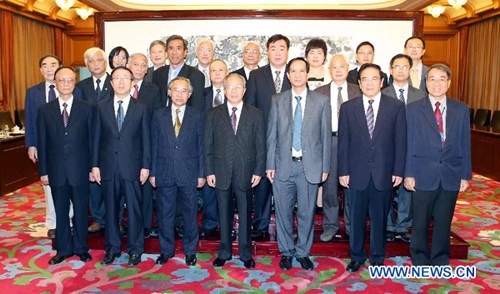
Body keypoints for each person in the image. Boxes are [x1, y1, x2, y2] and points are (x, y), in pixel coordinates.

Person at [338, 63, 406, 273]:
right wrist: (343, 171)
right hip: (356, 173)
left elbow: (400, 142)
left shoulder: (395, 107)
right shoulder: (348, 107)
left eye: (374, 78)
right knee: (356, 219)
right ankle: (356, 256)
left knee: (379, 218)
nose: (369, 83)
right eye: (364, 79)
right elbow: (343, 142)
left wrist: (398, 170)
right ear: (359, 83)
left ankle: (377, 256)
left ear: (382, 81)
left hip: (384, 173)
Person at [267, 57, 332, 271]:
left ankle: (303, 252)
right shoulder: (277, 100)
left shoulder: (321, 101)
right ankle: (286, 252)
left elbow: (325, 137)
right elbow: (272, 136)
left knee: (306, 213)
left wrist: (325, 167)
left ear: (307, 74)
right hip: (283, 165)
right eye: (292, 71)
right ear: (287, 75)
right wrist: (270, 164)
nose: (297, 74)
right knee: (283, 213)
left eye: (301, 71)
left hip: (310, 167)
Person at [405, 64, 471, 266]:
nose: (436, 83)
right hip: (422, 173)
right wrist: (408, 173)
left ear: (449, 83)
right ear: (426, 82)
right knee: (420, 222)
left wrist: (465, 175)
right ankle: (419, 257)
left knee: (444, 221)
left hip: (450, 173)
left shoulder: (461, 109)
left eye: (442, 79)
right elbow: (408, 143)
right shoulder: (413, 109)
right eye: (432, 79)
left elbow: (465, 143)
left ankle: (441, 259)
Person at [205, 73, 266, 269]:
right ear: (224, 89)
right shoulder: (213, 114)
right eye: (229, 86)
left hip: (246, 172)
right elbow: (207, 145)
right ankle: (224, 252)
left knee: (246, 214)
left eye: (238, 86)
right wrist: (209, 171)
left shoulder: (255, 113)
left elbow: (260, 145)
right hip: (220, 171)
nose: (233, 90)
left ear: (244, 90)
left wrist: (258, 170)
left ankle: (246, 253)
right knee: (223, 214)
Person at [92, 66, 151, 266]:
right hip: (108, 167)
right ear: (111, 82)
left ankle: (135, 250)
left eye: (126, 78)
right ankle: (112, 249)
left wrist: (145, 166)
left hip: (133, 167)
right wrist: (94, 165)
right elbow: (96, 139)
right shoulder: (101, 106)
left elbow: (146, 140)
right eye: (117, 78)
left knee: (134, 211)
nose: (121, 81)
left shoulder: (141, 107)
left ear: (132, 82)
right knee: (110, 211)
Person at [37, 67, 93, 264]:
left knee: (80, 211)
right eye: (62, 80)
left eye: (70, 80)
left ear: (75, 82)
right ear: (56, 83)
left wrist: (93, 167)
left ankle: (81, 247)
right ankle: (63, 250)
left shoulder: (87, 108)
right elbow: (42, 143)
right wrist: (43, 171)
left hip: (80, 170)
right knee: (60, 212)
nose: (66, 84)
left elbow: (92, 141)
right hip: (56, 171)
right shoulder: (45, 110)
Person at [150, 77, 205, 266]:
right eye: (176, 90)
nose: (179, 94)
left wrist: (201, 174)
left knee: (190, 214)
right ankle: (166, 251)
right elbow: (154, 145)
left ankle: (190, 251)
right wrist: (153, 172)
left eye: (184, 91)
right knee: (165, 214)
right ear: (169, 92)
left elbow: (201, 147)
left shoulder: (197, 115)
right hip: (164, 171)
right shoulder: (158, 115)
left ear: (189, 94)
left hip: (189, 172)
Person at [245, 34, 291, 241]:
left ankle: (286, 225)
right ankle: (261, 223)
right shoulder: (256, 75)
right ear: (268, 51)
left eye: (282, 48)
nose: (278, 52)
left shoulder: (296, 73)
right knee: (263, 185)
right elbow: (251, 108)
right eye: (274, 48)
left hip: (290, 140)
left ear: (287, 51)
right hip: (263, 138)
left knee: (286, 184)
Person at [24, 54, 73, 239]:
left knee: (71, 183)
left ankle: (70, 219)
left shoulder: (71, 88)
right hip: (46, 147)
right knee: (48, 185)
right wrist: (31, 144)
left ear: (60, 66)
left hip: (69, 146)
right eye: (45, 65)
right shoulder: (33, 92)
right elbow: (29, 119)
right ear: (40, 70)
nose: (49, 68)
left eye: (53, 64)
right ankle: (53, 222)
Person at [314, 54, 361, 242]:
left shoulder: (358, 90)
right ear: (329, 70)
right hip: (330, 141)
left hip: (354, 144)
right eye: (334, 67)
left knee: (353, 187)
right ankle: (330, 226)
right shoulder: (319, 92)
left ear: (347, 69)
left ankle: (351, 226)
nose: (339, 70)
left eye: (342, 66)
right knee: (330, 187)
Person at [382, 54, 427, 243]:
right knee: (386, 188)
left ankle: (403, 225)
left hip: (412, 148)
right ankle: (389, 226)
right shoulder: (382, 93)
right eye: (396, 67)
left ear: (410, 70)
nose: (400, 70)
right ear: (391, 70)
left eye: (404, 67)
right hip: (387, 148)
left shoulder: (421, 95)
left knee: (407, 189)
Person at [75, 47, 113, 233]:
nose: (96, 64)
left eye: (99, 60)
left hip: (112, 139)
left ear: (105, 62)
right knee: (93, 180)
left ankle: (115, 217)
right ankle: (99, 218)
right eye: (91, 61)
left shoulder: (116, 82)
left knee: (113, 181)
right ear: (86, 65)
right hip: (89, 141)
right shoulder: (81, 87)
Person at [127, 52, 162, 238]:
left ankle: (146, 224)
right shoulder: (121, 87)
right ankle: (130, 223)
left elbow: (156, 118)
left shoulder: (153, 89)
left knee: (146, 187)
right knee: (128, 186)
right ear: (129, 66)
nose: (139, 68)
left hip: (145, 143)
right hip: (125, 146)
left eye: (143, 65)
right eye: (136, 64)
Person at [200, 59, 228, 238]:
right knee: (209, 189)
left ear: (227, 72)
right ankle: (210, 223)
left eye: (220, 70)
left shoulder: (235, 92)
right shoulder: (201, 95)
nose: (217, 73)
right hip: (208, 146)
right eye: (213, 71)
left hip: (230, 148)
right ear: (209, 75)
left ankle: (227, 223)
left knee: (227, 189)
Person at [153, 35, 205, 111]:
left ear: (185, 52)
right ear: (166, 52)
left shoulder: (196, 75)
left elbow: (197, 106)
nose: (174, 52)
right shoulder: (157, 74)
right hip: (160, 120)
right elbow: (155, 102)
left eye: (178, 48)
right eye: (171, 48)